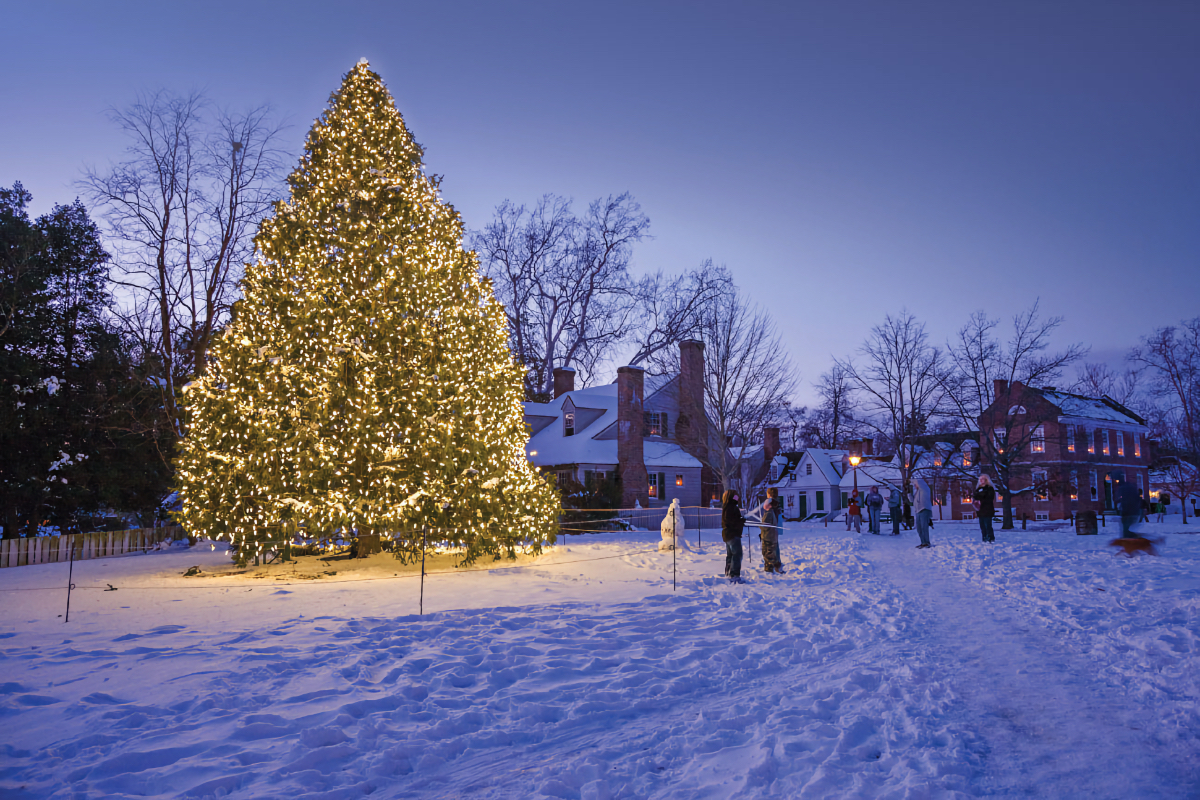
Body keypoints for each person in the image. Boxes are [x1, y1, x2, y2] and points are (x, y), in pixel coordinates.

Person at [756, 487, 785, 573]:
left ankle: (770, 569)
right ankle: (777, 566)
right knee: (774, 550)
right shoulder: (776, 506)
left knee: (768, 552)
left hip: (769, 535)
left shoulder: (770, 511)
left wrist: (760, 526)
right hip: (773, 534)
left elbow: (766, 525)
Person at [722, 490, 746, 584]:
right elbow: (732, 522)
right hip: (733, 535)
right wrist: (740, 521)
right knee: (736, 554)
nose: (737, 498)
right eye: (736, 497)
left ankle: (728, 573)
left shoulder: (726, 507)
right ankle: (734, 575)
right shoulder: (731, 507)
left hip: (728, 535)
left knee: (731, 555)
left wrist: (740, 521)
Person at [1114, 472, 1143, 538]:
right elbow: (1138, 498)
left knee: (1125, 530)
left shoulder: (1121, 488)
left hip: (1127, 512)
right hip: (1135, 511)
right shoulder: (1132, 486)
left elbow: (1117, 498)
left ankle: (1136, 541)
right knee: (1127, 530)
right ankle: (1133, 541)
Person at [973, 474, 997, 543]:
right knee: (982, 525)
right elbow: (975, 496)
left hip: (987, 509)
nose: (981, 480)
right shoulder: (978, 489)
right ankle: (984, 537)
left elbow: (989, 498)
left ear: (986, 480)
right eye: (980, 479)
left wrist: (981, 500)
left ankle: (990, 538)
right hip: (980, 510)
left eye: (982, 479)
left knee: (988, 525)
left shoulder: (989, 488)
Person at [911, 476, 934, 549]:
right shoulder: (917, 492)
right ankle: (923, 542)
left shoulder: (925, 489)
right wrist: (908, 493)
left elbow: (919, 481)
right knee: (919, 528)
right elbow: (913, 501)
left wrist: (909, 480)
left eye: (915, 484)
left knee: (924, 527)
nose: (915, 485)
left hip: (924, 509)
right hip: (918, 511)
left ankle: (927, 542)